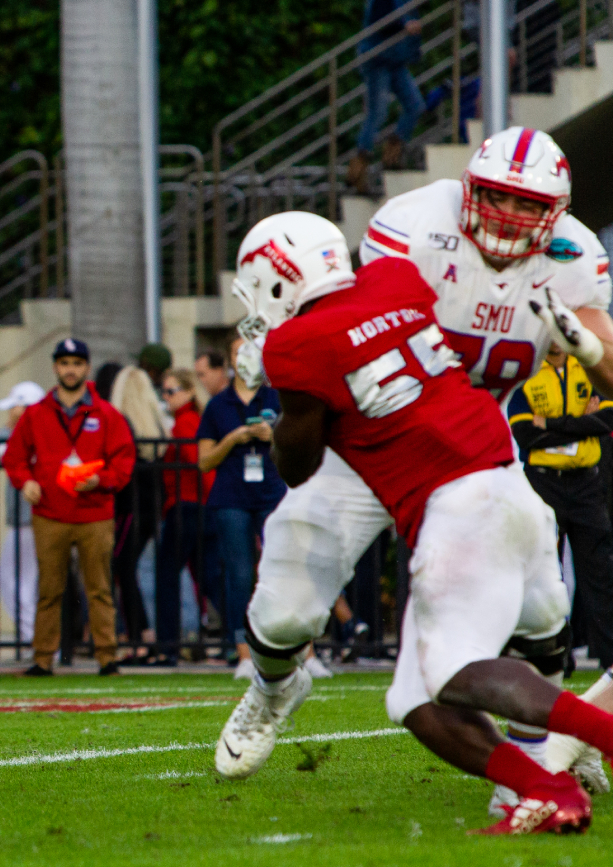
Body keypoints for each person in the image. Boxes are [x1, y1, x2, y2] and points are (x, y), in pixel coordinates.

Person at [222, 128, 613, 815]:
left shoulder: (577, 258)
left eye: (527, 206)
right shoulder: (414, 226)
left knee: (544, 610)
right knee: (285, 606)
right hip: (366, 435)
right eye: (494, 197)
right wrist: (289, 367)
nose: (507, 217)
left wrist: (587, 347)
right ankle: (275, 685)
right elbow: (349, 331)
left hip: (471, 434)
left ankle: (540, 762)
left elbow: (607, 363)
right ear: (468, 190)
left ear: (558, 213)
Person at [1, 338, 135, 676]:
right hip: (50, 512)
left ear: (86, 367)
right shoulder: (36, 414)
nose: (70, 369)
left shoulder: (106, 414)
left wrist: (101, 479)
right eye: (64, 363)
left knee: (100, 589)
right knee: (49, 589)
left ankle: (107, 655)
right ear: (55, 367)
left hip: (94, 512)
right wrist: (25, 481)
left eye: (76, 363)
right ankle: (43, 658)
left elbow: (124, 460)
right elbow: (14, 457)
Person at [509, 344, 613, 671]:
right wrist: (581, 421)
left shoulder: (588, 367)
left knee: (600, 570)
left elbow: (607, 419)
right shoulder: (527, 374)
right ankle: (556, 657)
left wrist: (551, 424)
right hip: (543, 483)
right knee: (545, 572)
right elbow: (525, 433)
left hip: (585, 482)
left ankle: (608, 657)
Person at [196, 336, 287, 677]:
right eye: (238, 351)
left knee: (281, 571)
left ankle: (299, 653)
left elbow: (300, 444)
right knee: (239, 575)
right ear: (230, 359)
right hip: (232, 496)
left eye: (252, 350)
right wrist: (232, 439)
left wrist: (272, 436)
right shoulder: (218, 405)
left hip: (272, 493)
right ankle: (244, 654)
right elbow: (204, 461)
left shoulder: (277, 398)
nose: (245, 357)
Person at [106, 363, 171, 660]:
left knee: (122, 567)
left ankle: (141, 636)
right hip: (150, 506)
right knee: (127, 567)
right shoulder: (156, 424)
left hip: (129, 505)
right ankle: (142, 635)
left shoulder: (121, 423)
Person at [154, 369, 217, 664]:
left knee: (167, 576)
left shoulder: (186, 423)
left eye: (172, 391)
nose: (167, 397)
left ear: (190, 391)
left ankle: (168, 645)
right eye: (164, 391)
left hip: (188, 507)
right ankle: (241, 638)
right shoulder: (192, 420)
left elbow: (199, 464)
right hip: (197, 506)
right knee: (210, 578)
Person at [348, 0, 426, 193]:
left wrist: (414, 51)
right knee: (378, 113)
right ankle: (358, 171)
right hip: (377, 57)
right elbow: (385, 15)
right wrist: (404, 25)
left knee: (415, 105)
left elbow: (412, 22)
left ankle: (391, 156)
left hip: (396, 59)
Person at [0, 381, 46, 646]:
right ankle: (38, 639)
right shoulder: (30, 435)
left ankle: (36, 640)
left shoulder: (30, 436)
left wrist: (10, 427)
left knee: (15, 583)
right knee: (24, 583)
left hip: (28, 521)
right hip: (28, 520)